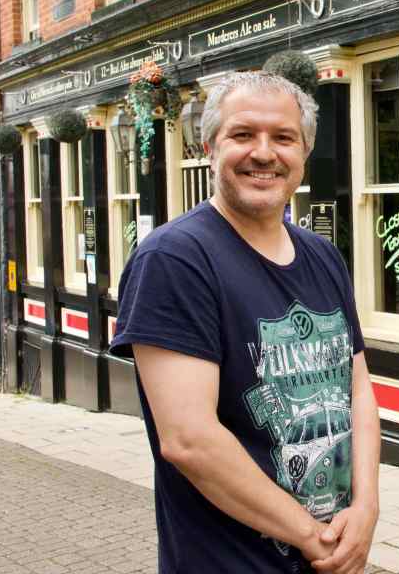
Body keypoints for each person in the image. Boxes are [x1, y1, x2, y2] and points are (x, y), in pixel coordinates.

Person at [109, 71, 380, 574]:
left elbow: (357, 390)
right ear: (210, 146)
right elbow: (189, 440)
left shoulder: (322, 256)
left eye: (283, 138)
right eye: (242, 135)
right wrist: (312, 537)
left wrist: (365, 510)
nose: (263, 153)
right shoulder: (174, 259)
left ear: (303, 152)